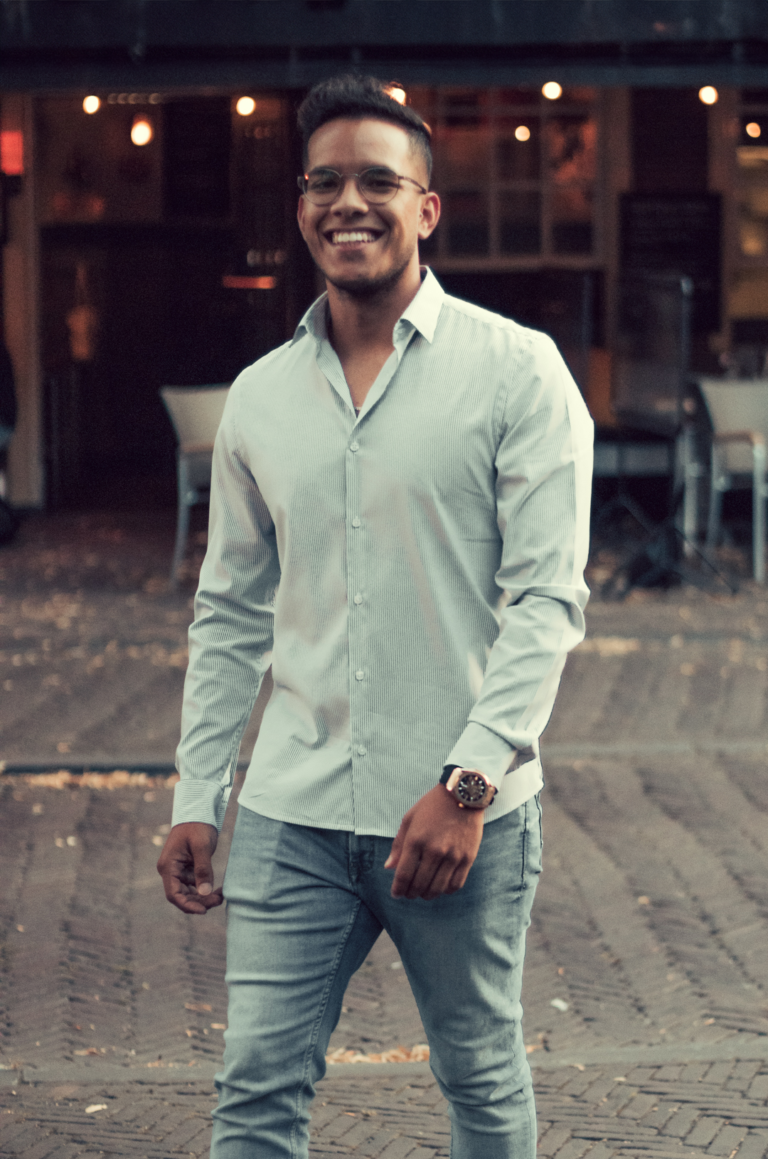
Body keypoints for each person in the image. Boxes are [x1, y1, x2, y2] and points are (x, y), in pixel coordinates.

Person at [157, 74, 593, 1159]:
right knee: (255, 1089)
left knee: (479, 1074)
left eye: (378, 182)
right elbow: (229, 612)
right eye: (325, 183)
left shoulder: (518, 372)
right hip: (293, 813)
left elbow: (546, 598)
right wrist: (198, 794)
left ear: (426, 208)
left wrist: (468, 782)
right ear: (303, 206)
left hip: (458, 815)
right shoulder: (260, 396)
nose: (348, 202)